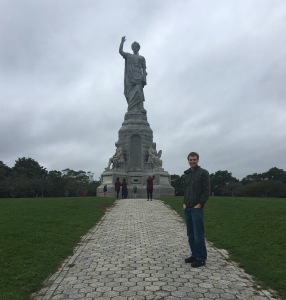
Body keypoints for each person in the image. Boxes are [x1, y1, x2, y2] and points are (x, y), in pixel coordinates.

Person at [183, 152, 210, 268]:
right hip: (187, 207)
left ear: (198, 160)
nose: (192, 161)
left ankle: (201, 258)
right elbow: (186, 189)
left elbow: (207, 190)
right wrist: (184, 203)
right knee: (191, 234)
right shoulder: (187, 174)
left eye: (194, 159)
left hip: (196, 208)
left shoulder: (203, 173)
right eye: (190, 159)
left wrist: (200, 204)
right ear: (188, 160)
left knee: (198, 234)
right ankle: (194, 254)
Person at [119, 36, 147, 113]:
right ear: (132, 48)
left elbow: (144, 68)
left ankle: (140, 107)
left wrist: (144, 77)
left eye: (136, 46)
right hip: (130, 77)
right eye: (133, 46)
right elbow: (121, 52)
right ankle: (131, 109)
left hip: (139, 76)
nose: (135, 47)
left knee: (139, 91)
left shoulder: (142, 58)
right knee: (131, 92)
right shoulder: (128, 55)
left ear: (138, 48)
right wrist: (122, 42)